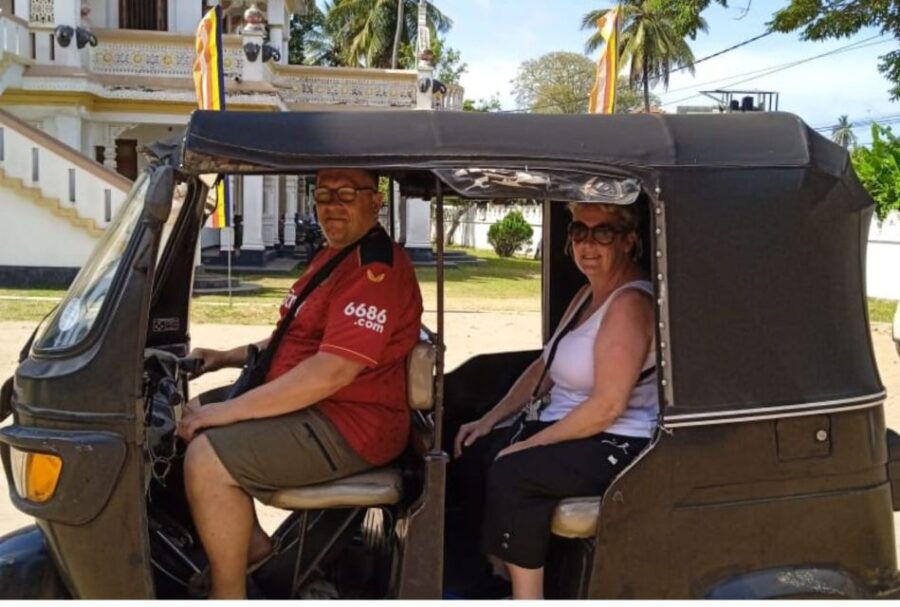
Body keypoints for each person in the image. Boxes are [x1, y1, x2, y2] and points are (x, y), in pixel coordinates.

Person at [178, 168, 423, 599]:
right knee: (188, 416)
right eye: (324, 195)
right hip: (323, 408)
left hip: (353, 424)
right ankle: (247, 545)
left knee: (207, 459)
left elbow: (333, 370)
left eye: (346, 194)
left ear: (375, 201)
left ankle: (229, 590)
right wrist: (226, 357)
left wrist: (226, 412)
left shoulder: (374, 271)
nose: (332, 206)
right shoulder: (336, 255)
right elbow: (297, 336)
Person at [452, 201, 657, 600]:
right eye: (579, 231)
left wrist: (532, 444)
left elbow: (607, 407)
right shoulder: (586, 294)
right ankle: (494, 570)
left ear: (629, 241)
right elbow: (542, 369)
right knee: (474, 449)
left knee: (516, 471)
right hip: (579, 426)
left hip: (618, 439)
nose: (588, 244)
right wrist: (491, 420)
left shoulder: (630, 304)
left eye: (603, 233)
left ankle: (527, 595)